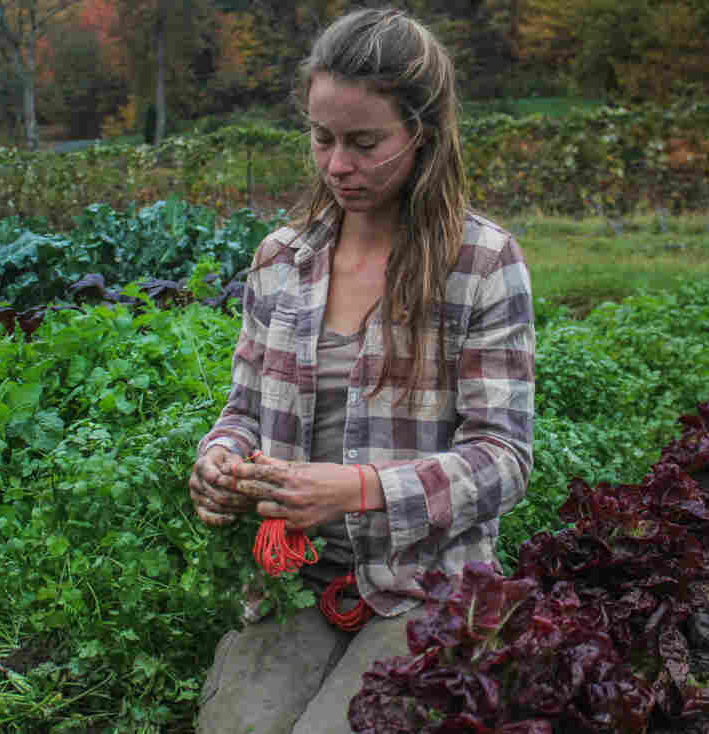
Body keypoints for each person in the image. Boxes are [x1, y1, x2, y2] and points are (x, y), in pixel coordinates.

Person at [187, 7, 535, 734]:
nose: (338, 165)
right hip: (296, 578)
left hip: (423, 586)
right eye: (322, 139)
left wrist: (359, 490)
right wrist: (218, 457)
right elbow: (243, 408)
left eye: (364, 142)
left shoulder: (480, 263)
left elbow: (503, 460)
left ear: (423, 132)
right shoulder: (282, 259)